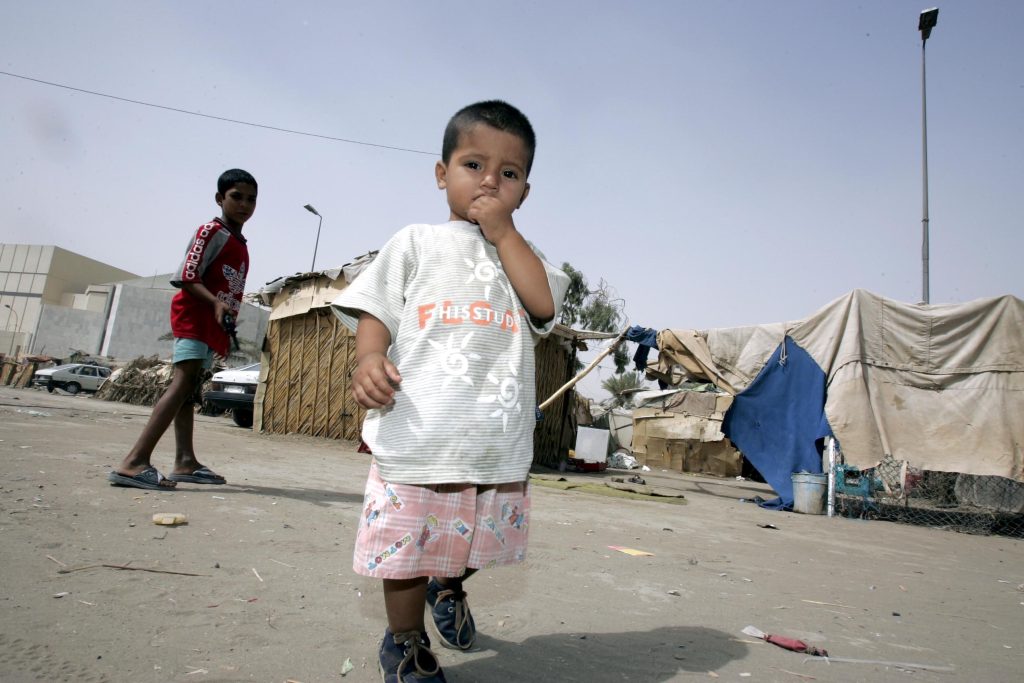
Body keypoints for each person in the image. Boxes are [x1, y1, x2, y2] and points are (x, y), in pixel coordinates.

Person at [332, 101, 570, 682]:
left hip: (491, 441)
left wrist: (504, 233)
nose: (489, 181)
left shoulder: (526, 258)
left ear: (524, 192)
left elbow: (543, 306)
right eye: (473, 165)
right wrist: (369, 357)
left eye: (508, 173)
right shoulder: (415, 242)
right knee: (408, 547)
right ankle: (405, 641)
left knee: (471, 543)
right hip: (420, 429)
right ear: (442, 174)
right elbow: (377, 310)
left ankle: (450, 587)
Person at [107, 168, 258, 491]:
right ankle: (134, 462)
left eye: (251, 199)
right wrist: (215, 303)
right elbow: (187, 276)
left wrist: (224, 312)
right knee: (182, 383)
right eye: (236, 197)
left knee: (189, 389)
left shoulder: (239, 242)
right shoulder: (212, 231)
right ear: (219, 198)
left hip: (210, 323)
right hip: (193, 316)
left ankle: (185, 461)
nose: (244, 205)